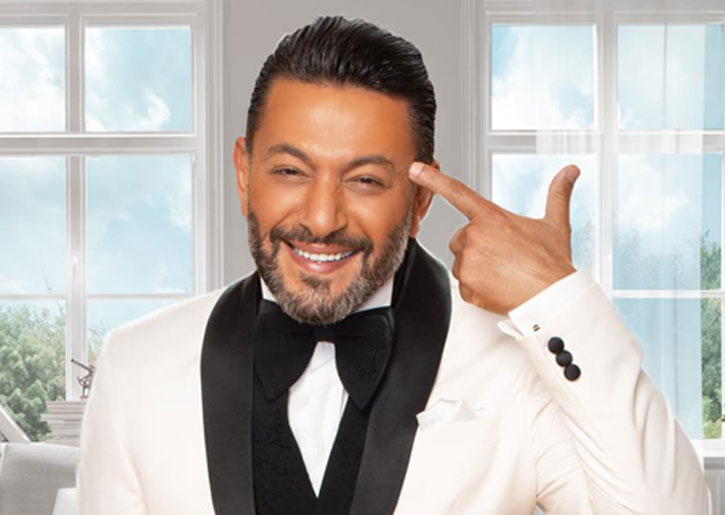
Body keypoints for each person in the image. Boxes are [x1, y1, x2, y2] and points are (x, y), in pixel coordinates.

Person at [76, 15, 710, 515]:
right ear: (244, 174)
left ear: (419, 201)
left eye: (366, 180)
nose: (322, 217)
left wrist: (557, 299)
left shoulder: (518, 364)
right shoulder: (137, 366)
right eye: (291, 171)